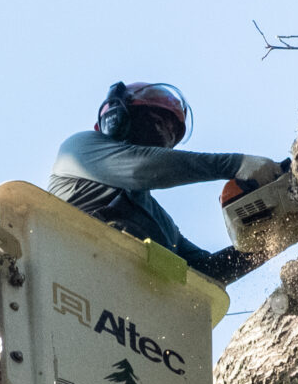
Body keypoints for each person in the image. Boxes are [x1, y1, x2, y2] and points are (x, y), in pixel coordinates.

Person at [49, 81, 280, 285]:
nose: (167, 132)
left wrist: (272, 238)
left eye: (173, 130)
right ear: (117, 119)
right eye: (159, 120)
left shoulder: (159, 222)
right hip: (64, 275)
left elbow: (206, 274)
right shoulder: (79, 149)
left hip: (118, 312)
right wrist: (235, 164)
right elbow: (143, 168)